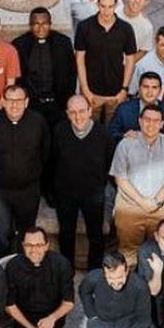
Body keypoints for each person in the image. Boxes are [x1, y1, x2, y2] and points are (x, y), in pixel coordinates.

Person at [0, 85, 50, 258]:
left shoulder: (38, 122)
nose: (14, 105)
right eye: (10, 100)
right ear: (3, 102)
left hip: (28, 190)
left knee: (26, 237)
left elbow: (45, 152)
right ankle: (3, 268)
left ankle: (22, 269)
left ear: (26, 102)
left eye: (18, 100)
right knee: (1, 236)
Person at [110, 104, 164, 263]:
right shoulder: (125, 144)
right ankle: (130, 276)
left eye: (156, 120)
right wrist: (142, 202)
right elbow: (120, 178)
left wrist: (156, 202)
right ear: (140, 121)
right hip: (130, 205)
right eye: (147, 119)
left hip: (162, 206)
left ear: (162, 124)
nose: (151, 124)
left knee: (161, 251)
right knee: (128, 251)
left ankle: (157, 278)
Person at [51, 94, 113, 270]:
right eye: (73, 112)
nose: (78, 117)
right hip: (65, 192)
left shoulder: (103, 133)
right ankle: (67, 272)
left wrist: (101, 185)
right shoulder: (60, 131)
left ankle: (94, 273)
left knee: (96, 235)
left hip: (93, 193)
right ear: (67, 114)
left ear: (90, 111)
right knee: (66, 234)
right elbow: (52, 161)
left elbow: (109, 163)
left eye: (82, 111)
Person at [4, 226, 76, 328]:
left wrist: (51, 319)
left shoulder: (61, 264)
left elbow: (69, 302)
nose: (34, 250)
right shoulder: (13, 266)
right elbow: (10, 305)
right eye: (29, 245)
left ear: (47, 245)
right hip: (25, 315)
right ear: (23, 245)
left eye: (38, 245)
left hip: (51, 313)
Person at [78, 252, 154, 328]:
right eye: (111, 278)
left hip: (128, 321)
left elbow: (144, 320)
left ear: (127, 271)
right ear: (104, 273)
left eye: (120, 277)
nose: (116, 283)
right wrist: (92, 315)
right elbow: (83, 291)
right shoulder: (94, 277)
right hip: (102, 321)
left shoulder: (140, 285)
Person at [74, 0, 137, 122]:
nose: (106, 11)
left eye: (110, 6)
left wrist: (124, 90)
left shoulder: (126, 29)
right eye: (103, 6)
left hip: (115, 92)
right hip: (91, 91)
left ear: (116, 5)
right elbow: (79, 59)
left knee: (112, 129)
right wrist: (85, 90)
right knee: (90, 127)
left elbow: (130, 59)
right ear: (97, 4)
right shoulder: (84, 27)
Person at [13, 6, 75, 125]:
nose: (40, 28)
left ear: (50, 24)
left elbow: (72, 73)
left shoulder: (63, 43)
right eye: (36, 24)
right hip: (31, 106)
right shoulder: (20, 44)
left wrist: (67, 100)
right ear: (30, 25)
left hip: (58, 104)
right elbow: (17, 77)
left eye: (44, 24)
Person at [109, 73, 164, 139]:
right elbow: (111, 133)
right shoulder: (124, 109)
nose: (149, 92)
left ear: (160, 90)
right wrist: (124, 136)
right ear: (139, 89)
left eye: (154, 87)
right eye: (146, 87)